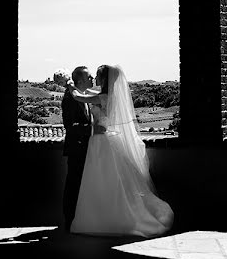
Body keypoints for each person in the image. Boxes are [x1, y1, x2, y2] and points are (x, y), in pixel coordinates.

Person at [64, 64, 174, 237]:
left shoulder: (104, 97)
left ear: (105, 79)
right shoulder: (104, 95)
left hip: (102, 142)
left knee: (106, 180)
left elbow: (79, 97)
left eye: (98, 75)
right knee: (102, 180)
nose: (95, 78)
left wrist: (69, 84)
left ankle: (106, 218)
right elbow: (86, 94)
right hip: (101, 141)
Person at [61, 66, 94, 231]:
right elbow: (70, 126)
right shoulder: (69, 98)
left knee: (82, 185)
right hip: (76, 148)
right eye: (89, 76)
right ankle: (70, 220)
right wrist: (92, 129)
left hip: (86, 148)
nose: (92, 78)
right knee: (73, 184)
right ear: (80, 80)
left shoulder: (84, 96)